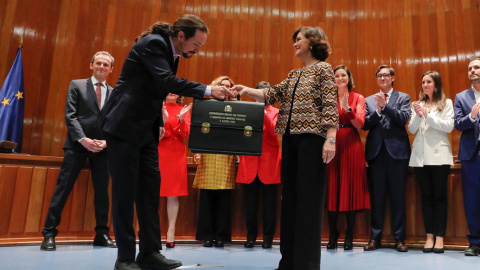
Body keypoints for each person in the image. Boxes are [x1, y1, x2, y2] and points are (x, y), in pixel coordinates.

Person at [98, 15, 234, 270]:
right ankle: (125, 258)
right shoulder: (154, 44)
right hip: (124, 127)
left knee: (150, 193)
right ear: (181, 36)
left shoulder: (173, 54)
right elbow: (166, 83)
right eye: (197, 43)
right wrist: (207, 90)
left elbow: (154, 92)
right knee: (125, 195)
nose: (198, 49)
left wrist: (158, 124)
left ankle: (149, 253)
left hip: (146, 130)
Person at [232, 26, 338, 270]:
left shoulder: (323, 69)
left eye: (298, 39)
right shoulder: (293, 74)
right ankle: (288, 262)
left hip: (313, 140)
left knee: (309, 203)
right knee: (290, 201)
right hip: (290, 140)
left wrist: (330, 137)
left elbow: (330, 104)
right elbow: (271, 94)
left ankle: (306, 264)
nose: (294, 44)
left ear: (313, 41)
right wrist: (246, 90)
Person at [40, 51, 116, 251]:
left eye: (105, 65)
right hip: (77, 145)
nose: (101, 67)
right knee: (62, 189)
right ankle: (48, 234)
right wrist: (83, 139)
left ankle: (102, 234)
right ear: (91, 65)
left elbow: (116, 122)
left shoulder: (115, 92)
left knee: (102, 193)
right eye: (98, 63)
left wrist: (107, 142)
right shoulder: (77, 85)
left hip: (102, 148)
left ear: (111, 70)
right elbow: (70, 115)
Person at [362, 65, 411, 252]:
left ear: (393, 78)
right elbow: (365, 124)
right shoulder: (368, 100)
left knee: (398, 198)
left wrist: (386, 106)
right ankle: (375, 238)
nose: (382, 78)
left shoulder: (403, 97)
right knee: (377, 198)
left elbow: (403, 119)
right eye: (379, 75)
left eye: (385, 75)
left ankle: (400, 239)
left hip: (397, 154)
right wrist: (378, 111)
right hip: (376, 154)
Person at [408, 71, 453, 254]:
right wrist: (419, 114)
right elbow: (411, 129)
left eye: (429, 81)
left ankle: (440, 237)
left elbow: (448, 126)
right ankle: (429, 236)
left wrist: (428, 115)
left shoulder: (446, 103)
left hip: (439, 156)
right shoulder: (418, 104)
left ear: (436, 84)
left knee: (440, 198)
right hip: (421, 157)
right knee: (426, 197)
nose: (425, 84)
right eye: (423, 82)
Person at [325, 65, 370, 250]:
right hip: (331, 144)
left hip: (351, 145)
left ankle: (349, 235)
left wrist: (347, 109)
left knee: (350, 189)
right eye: (336, 75)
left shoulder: (358, 97)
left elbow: (360, 123)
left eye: (343, 75)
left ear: (349, 78)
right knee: (332, 189)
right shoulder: (327, 98)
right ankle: (333, 234)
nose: (340, 78)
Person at [236, 81, 281, 249]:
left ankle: (268, 238)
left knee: (270, 205)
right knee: (250, 204)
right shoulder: (247, 111)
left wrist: (262, 112)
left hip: (269, 164)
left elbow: (275, 130)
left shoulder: (277, 112)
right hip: (249, 162)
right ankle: (251, 236)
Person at [193, 75, 237, 248]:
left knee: (224, 199)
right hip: (208, 156)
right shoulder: (206, 106)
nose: (226, 89)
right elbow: (198, 129)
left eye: (229, 86)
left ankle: (221, 236)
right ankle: (206, 236)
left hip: (227, 157)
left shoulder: (236, 108)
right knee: (206, 198)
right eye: (222, 85)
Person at [157, 93, 192, 248]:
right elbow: (151, 134)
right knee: (152, 192)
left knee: (173, 193)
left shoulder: (183, 109)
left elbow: (185, 134)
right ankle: (152, 231)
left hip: (176, 153)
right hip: (157, 151)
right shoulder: (156, 106)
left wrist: (181, 119)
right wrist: (163, 120)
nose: (172, 92)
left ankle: (171, 231)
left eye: (175, 89)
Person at [454, 56, 480, 256]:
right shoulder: (461, 97)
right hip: (472, 154)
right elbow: (458, 124)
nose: (472, 71)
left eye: (477, 67)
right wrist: (471, 116)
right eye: (470, 68)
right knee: (472, 199)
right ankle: (475, 242)